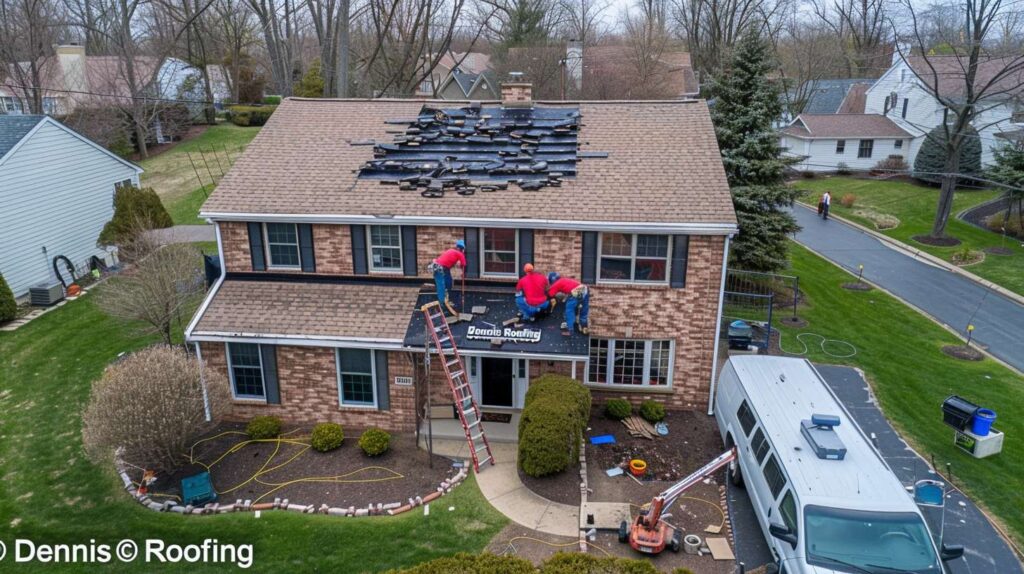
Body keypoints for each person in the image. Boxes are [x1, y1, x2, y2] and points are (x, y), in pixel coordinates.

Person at [430, 240, 466, 313]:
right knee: (441, 286)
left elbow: (447, 261)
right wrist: (463, 273)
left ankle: (446, 300)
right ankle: (441, 306)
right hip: (439, 268)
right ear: (462, 249)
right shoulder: (460, 254)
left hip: (442, 267)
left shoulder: (451, 251)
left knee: (448, 283)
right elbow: (463, 264)